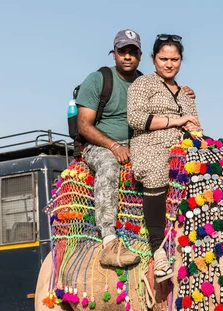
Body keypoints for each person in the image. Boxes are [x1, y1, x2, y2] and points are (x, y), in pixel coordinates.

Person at [76, 30, 196, 268]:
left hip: (142, 144)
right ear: (114, 53)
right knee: (110, 164)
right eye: (123, 51)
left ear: (141, 55)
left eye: (133, 52)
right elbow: (83, 125)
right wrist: (113, 145)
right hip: (102, 145)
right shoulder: (99, 79)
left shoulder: (148, 82)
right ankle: (109, 241)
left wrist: (184, 93)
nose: (128, 57)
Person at [127, 34, 201, 279]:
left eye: (175, 59)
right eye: (163, 59)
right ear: (153, 59)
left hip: (183, 147)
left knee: (217, 169)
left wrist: (193, 128)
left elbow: (194, 123)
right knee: (157, 170)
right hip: (150, 144)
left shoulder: (185, 93)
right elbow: (136, 119)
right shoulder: (143, 85)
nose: (169, 64)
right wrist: (176, 121)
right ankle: (157, 250)